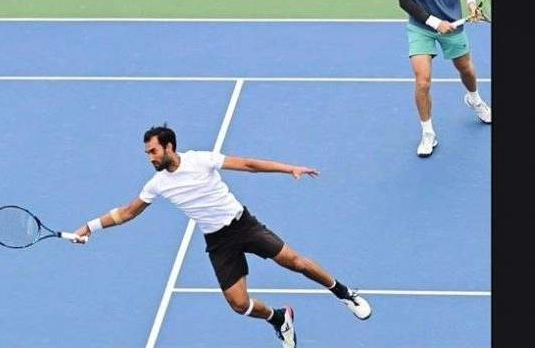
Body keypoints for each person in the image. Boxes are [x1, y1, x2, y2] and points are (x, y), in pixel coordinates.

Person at [70, 123, 371, 348]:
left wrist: (289, 168)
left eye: (153, 151)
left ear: (169, 147)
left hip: (243, 225)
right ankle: (280, 319)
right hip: (217, 242)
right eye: (147, 153)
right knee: (239, 304)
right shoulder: (157, 184)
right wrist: (89, 226)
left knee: (297, 263)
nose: (149, 157)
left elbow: (249, 165)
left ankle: (345, 294)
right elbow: (127, 212)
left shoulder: (201, 160)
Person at [394, 0, 491, 158]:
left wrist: (470, 1)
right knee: (422, 80)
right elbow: (404, 1)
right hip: (421, 26)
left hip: (453, 25)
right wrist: (435, 22)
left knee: (465, 68)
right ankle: (428, 132)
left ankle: (474, 99)